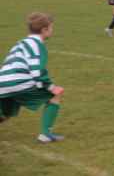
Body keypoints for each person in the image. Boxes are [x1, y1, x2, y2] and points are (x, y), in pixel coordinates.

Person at [0, 12, 65, 143]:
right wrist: (50, 87)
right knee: (55, 95)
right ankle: (46, 134)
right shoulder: (37, 45)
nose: (52, 30)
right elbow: (37, 70)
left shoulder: (21, 43)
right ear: (44, 30)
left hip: (2, 83)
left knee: (6, 113)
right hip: (19, 83)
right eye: (51, 27)